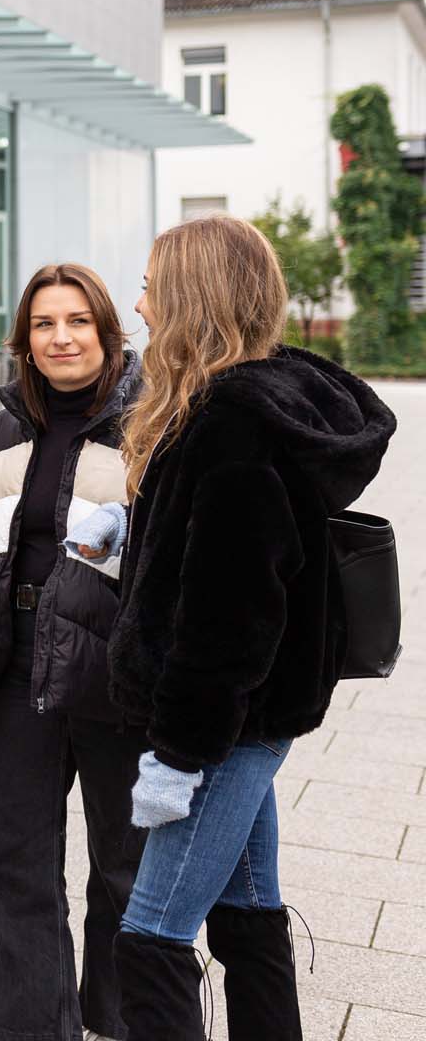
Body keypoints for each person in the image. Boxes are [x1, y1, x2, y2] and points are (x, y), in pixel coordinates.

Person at [109, 215, 394, 1038]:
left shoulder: (232, 422)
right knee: (246, 914)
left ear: (194, 301)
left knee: (152, 936)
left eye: (156, 289)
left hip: (224, 727)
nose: (141, 305)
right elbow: (228, 556)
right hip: (248, 718)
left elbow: (230, 617)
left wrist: (177, 755)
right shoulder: (250, 403)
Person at [0, 264, 146, 1041]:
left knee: (125, 868)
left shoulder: (150, 421)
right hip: (23, 668)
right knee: (11, 861)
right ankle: (26, 1026)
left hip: (116, 674)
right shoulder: (8, 427)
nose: (61, 337)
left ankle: (121, 1021)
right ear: (25, 339)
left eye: (78, 321)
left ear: (107, 332)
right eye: (45, 324)